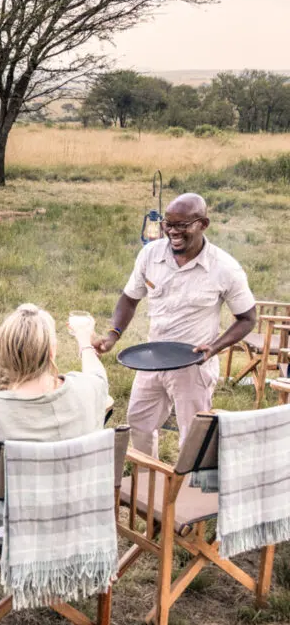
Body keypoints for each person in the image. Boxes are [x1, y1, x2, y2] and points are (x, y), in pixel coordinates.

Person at [94, 193, 256, 454]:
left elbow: (248, 319)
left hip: (193, 363)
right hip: (152, 359)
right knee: (139, 424)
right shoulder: (150, 254)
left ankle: (186, 490)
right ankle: (148, 483)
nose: (172, 231)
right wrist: (114, 334)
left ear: (203, 224)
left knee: (192, 436)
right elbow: (129, 298)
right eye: (167, 224)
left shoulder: (225, 268)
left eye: (181, 225)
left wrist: (214, 347)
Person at [0, 303, 108, 533]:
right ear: (52, 352)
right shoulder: (87, 391)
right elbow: (97, 375)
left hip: (12, 530)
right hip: (76, 522)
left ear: (3, 354)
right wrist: (83, 339)